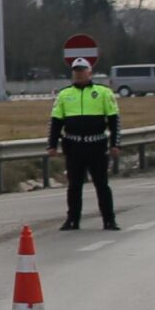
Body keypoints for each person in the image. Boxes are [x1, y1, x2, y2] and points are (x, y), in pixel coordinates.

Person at [48, 58, 120, 232]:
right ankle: (73, 220)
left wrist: (115, 143)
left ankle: (109, 220)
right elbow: (56, 122)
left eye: (82, 70)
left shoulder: (103, 92)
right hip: (74, 146)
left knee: (101, 184)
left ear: (90, 72)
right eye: (76, 71)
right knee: (74, 186)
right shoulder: (64, 95)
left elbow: (114, 120)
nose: (79, 74)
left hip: (96, 145)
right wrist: (52, 144)